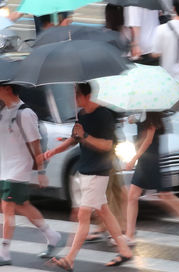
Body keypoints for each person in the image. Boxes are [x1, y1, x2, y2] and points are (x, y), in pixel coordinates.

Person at [43, 83, 134, 271]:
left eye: (76, 94)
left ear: (87, 95)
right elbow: (73, 139)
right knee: (104, 212)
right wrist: (52, 152)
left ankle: (70, 258)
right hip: (85, 170)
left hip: (98, 171)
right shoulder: (82, 115)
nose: (74, 98)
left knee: (84, 215)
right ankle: (124, 250)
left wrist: (84, 135)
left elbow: (107, 146)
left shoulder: (104, 115)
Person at [0, 84, 63, 267]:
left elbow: (36, 144)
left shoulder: (25, 113)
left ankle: (4, 252)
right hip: (4, 168)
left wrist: (40, 171)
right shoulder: (2, 110)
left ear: (7, 89)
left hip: (20, 167)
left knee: (7, 206)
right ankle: (52, 235)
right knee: (21, 205)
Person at [125, 112, 179, 241]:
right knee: (133, 196)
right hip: (145, 162)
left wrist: (133, 159)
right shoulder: (144, 114)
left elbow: (148, 141)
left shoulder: (152, 116)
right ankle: (129, 234)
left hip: (151, 163)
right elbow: (136, 126)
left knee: (165, 194)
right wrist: (133, 119)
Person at [125, 0, 161, 64]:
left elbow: (135, 25)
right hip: (155, 46)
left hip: (142, 49)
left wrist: (135, 45)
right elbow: (159, 14)